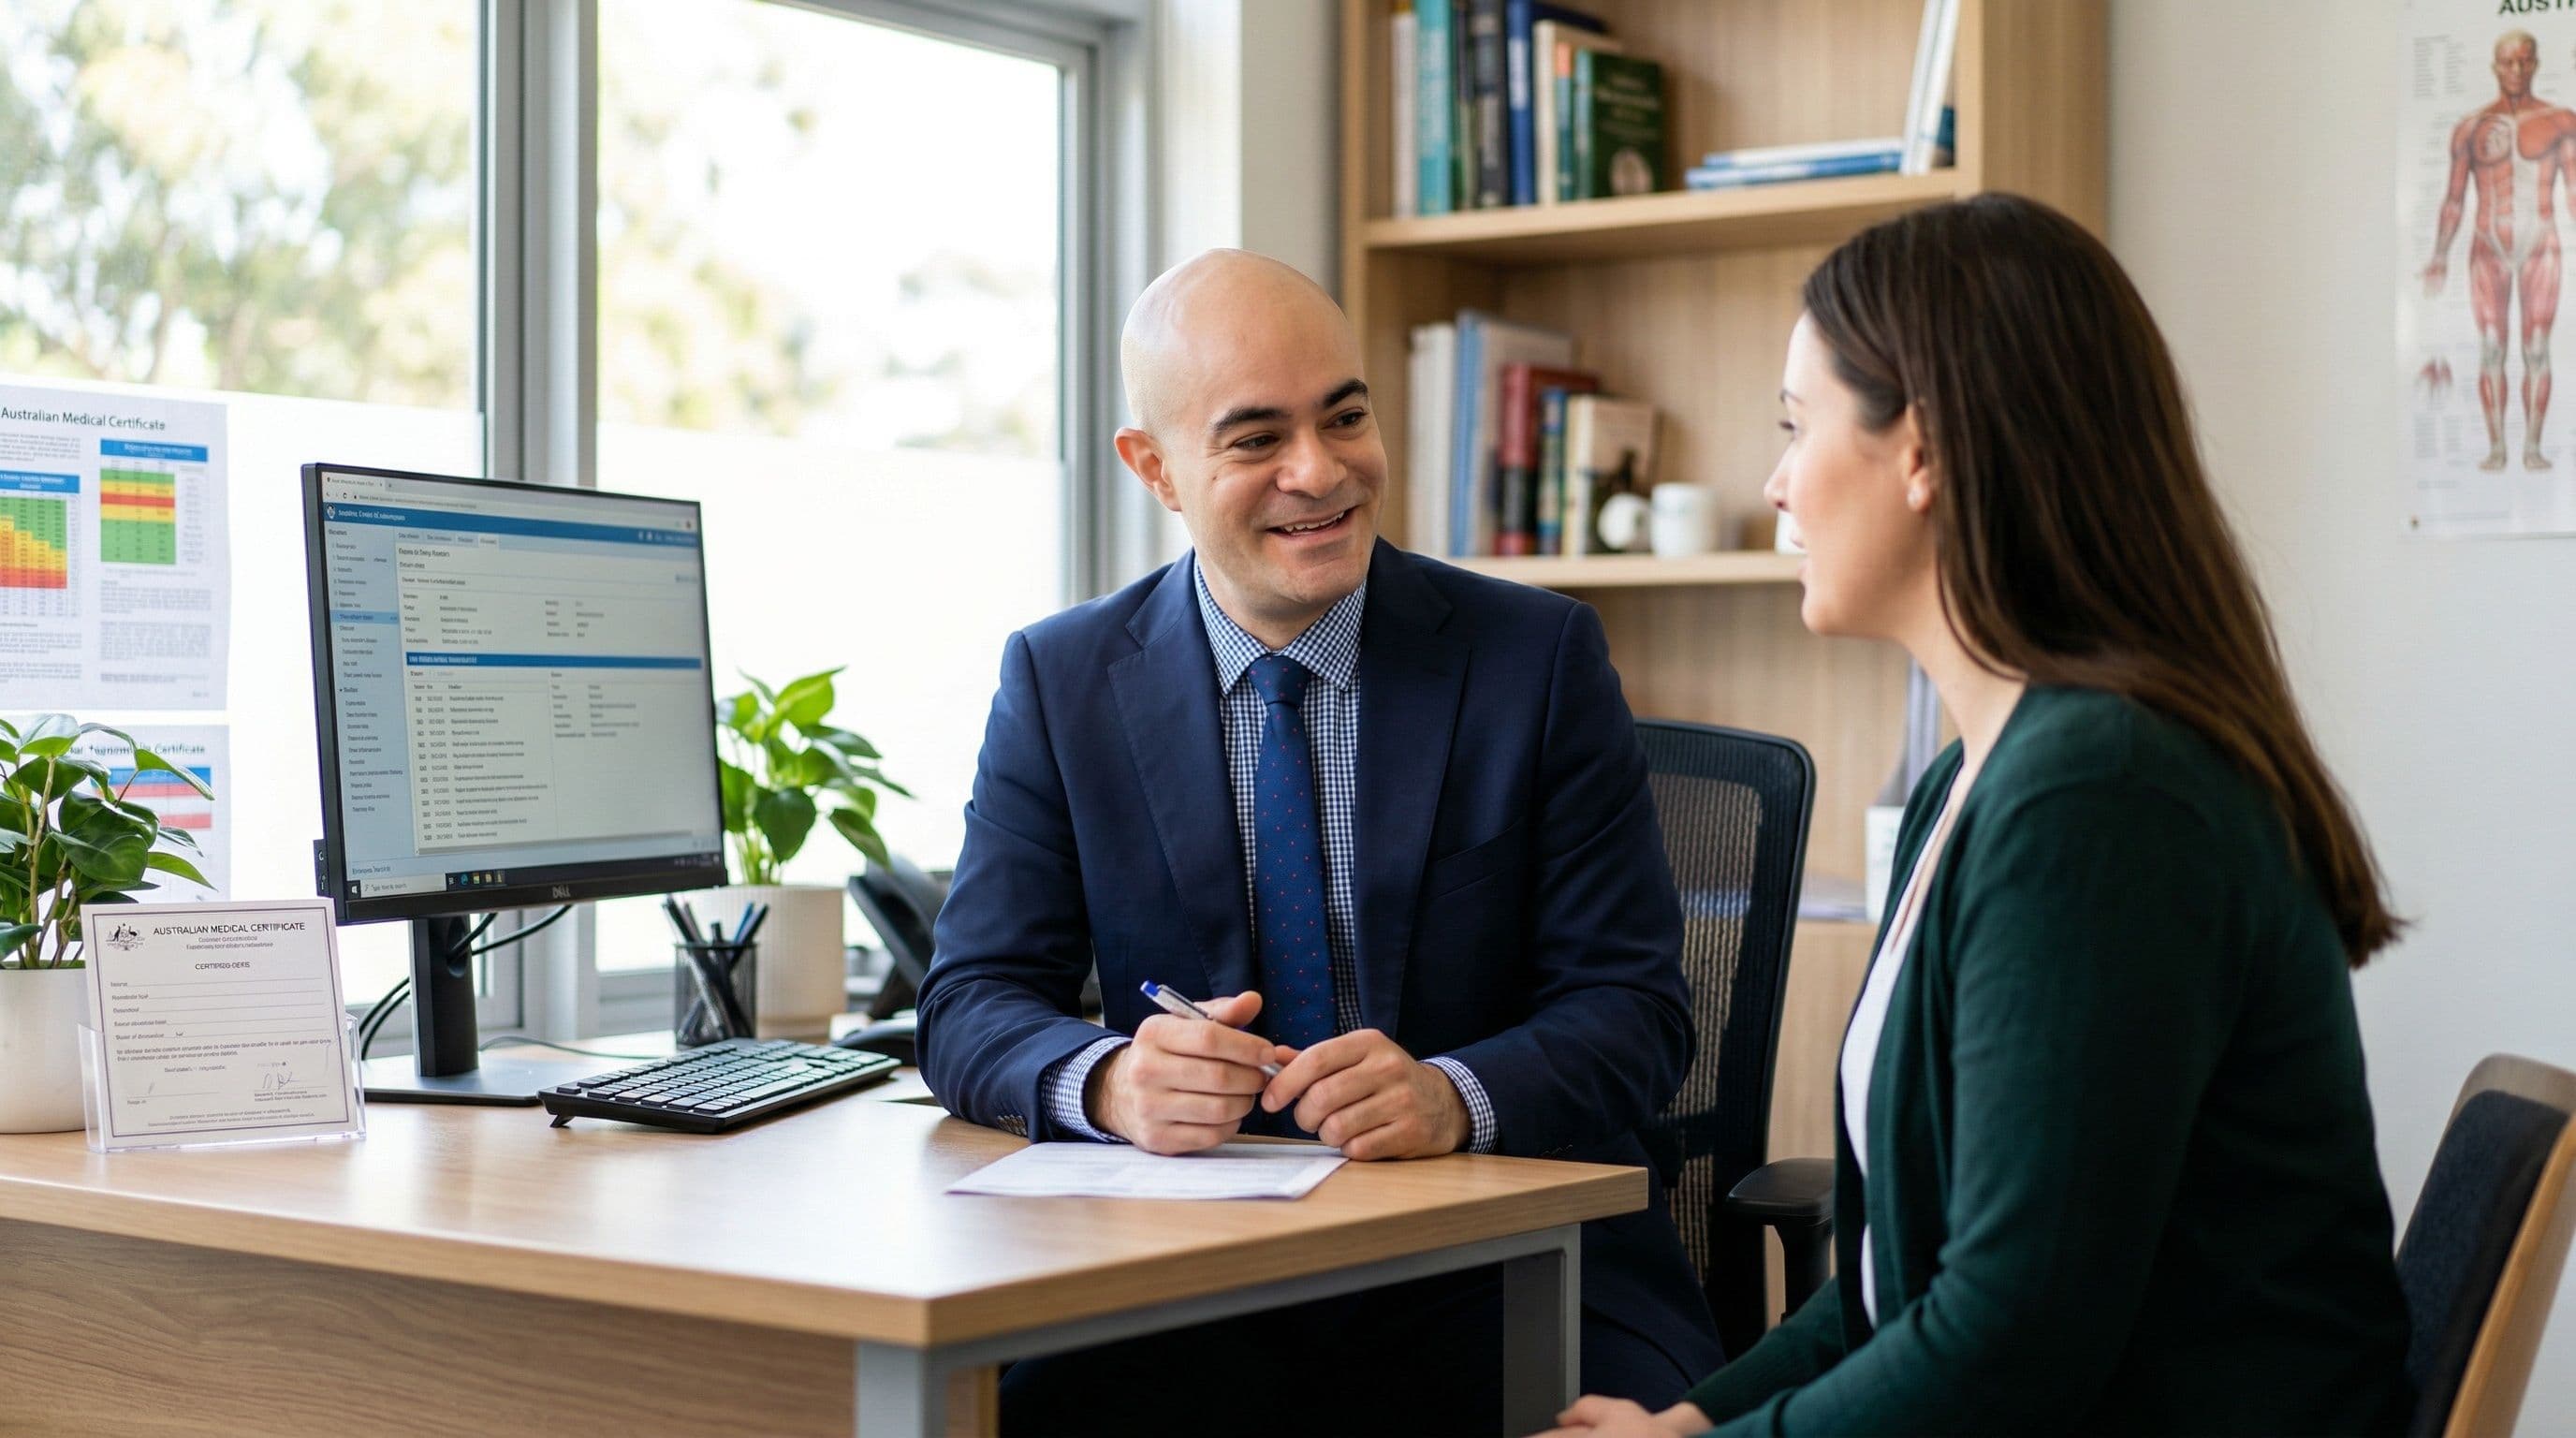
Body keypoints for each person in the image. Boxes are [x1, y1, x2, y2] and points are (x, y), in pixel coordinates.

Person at [1543, 194, 2415, 1437]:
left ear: (1926, 447)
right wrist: (1694, 1422)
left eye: (1799, 427)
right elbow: (1903, 1288)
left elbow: (2011, 1339)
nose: (1778, 484)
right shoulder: (1979, 782)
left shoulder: (2098, 796)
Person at [916, 248, 1723, 1436]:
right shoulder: (1062, 678)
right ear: (1156, 469)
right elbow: (970, 999)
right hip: (1183, 1282)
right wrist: (1107, 1080)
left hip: (1502, 1255)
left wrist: (1455, 1094)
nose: (1320, 471)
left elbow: (1638, 1009)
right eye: (1255, 440)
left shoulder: (1533, 659)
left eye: (1344, 416)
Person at [2422, 29, 2576, 471]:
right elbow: (2453, 200)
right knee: (2491, 347)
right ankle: (2496, 448)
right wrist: (2438, 255)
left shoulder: (2561, 121)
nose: (2516, 70)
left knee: (2536, 348)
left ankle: (2530, 447)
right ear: (2495, 68)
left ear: (2536, 65)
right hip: (2487, 246)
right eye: (2508, 62)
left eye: (2524, 61)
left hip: (2541, 245)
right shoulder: (2470, 128)